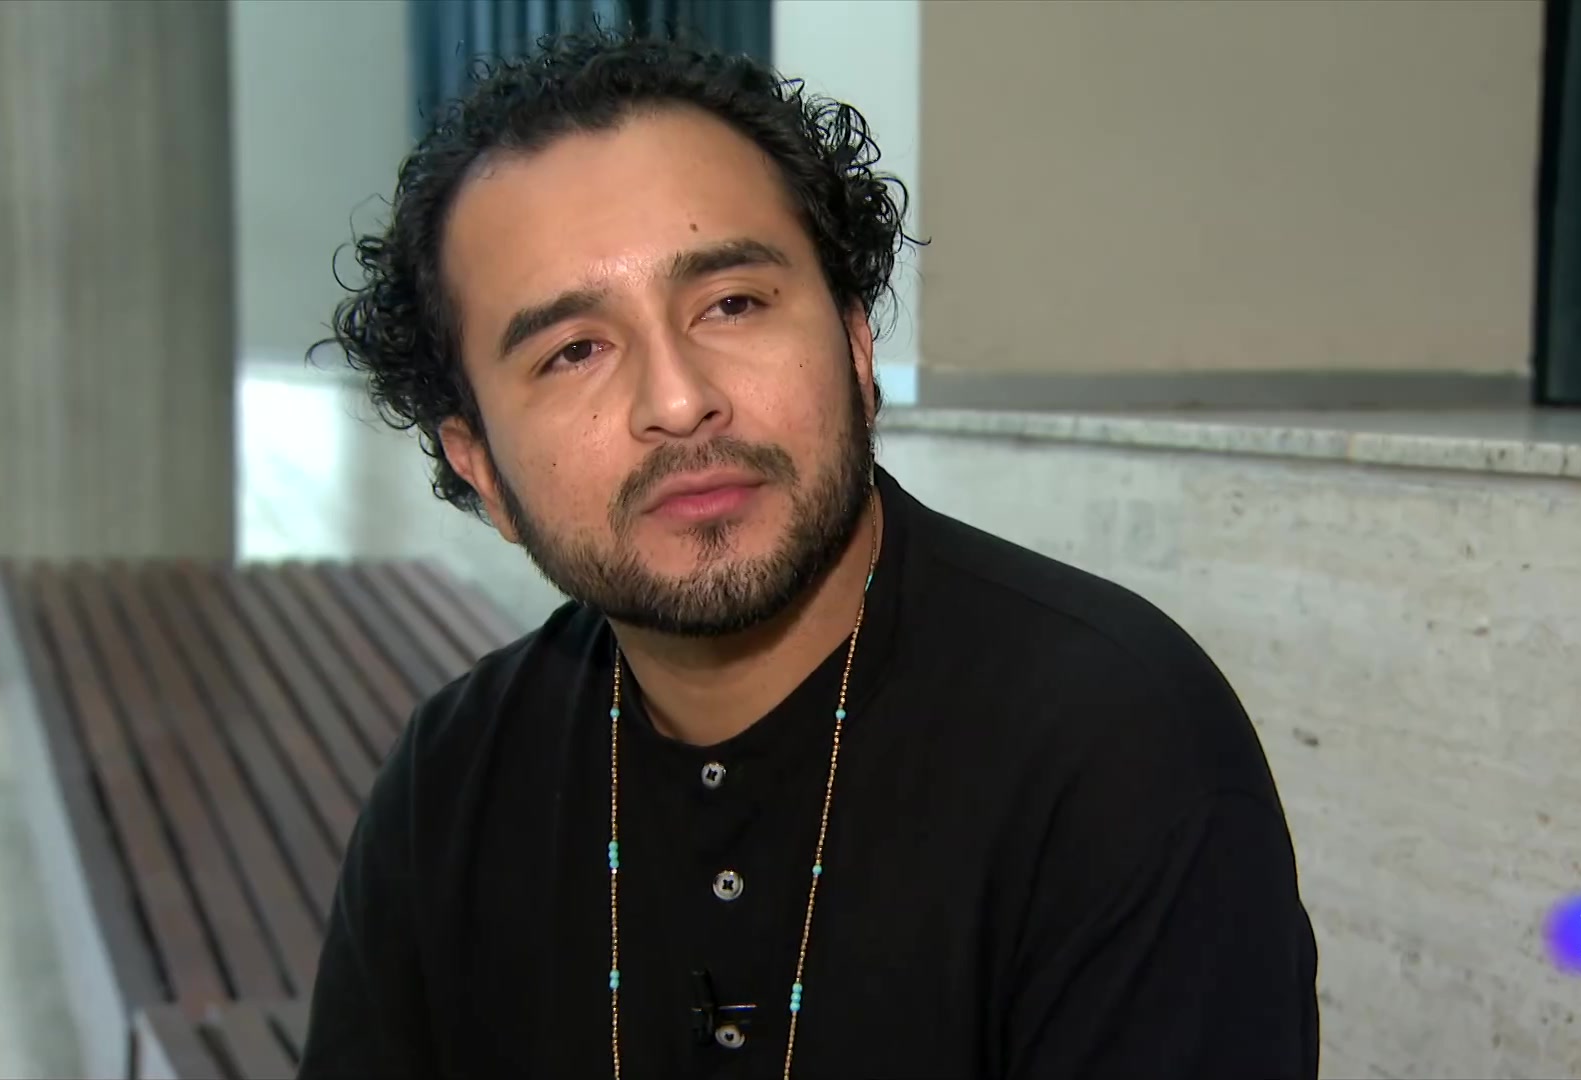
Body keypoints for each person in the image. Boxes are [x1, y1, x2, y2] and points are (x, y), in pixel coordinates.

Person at [299, 29, 1318, 1080]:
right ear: (481, 468)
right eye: (574, 351)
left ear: (856, 343)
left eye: (732, 304)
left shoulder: (1117, 753)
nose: (678, 399)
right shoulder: (454, 787)